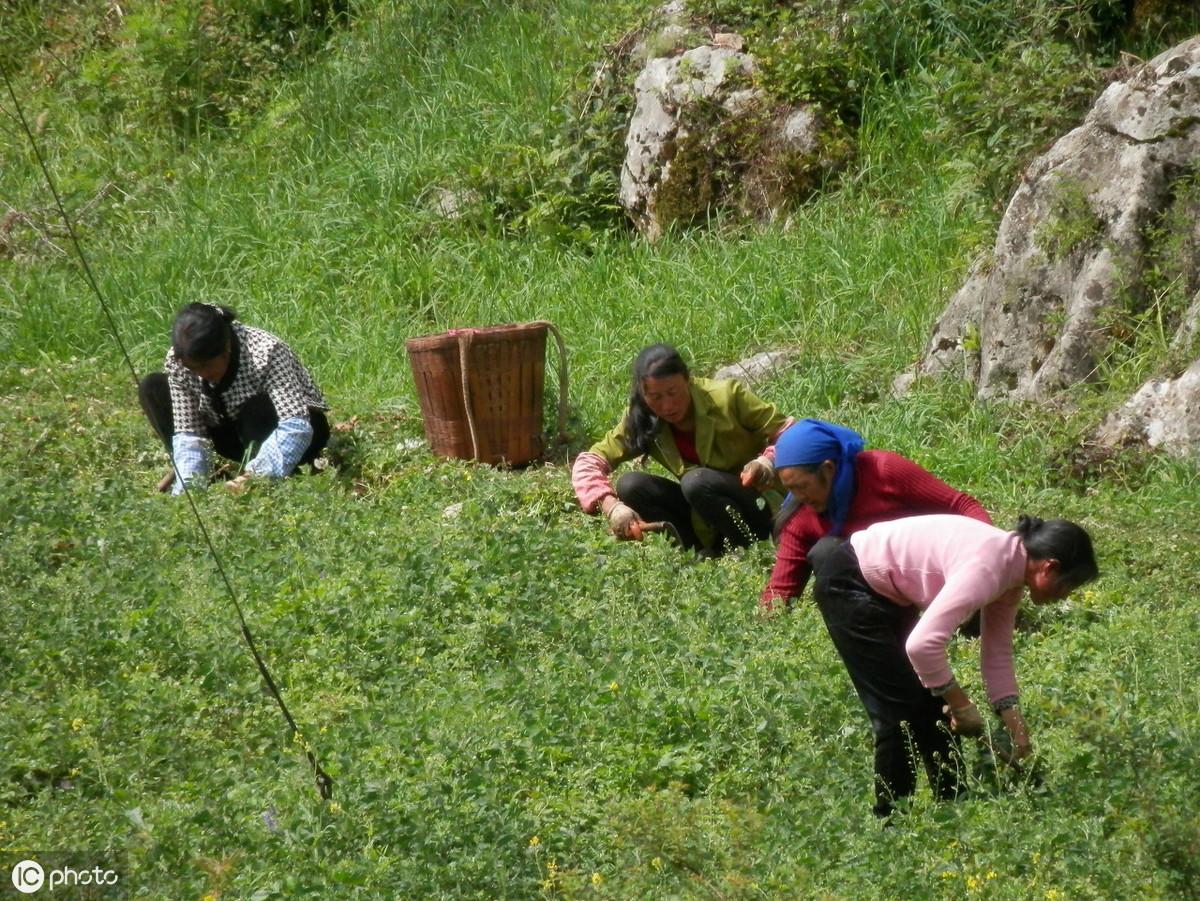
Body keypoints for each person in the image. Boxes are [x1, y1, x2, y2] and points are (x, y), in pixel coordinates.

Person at [808, 513, 1099, 818]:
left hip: (887, 594)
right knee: (898, 716)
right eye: (1068, 586)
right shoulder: (989, 566)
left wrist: (1017, 729)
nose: (1065, 595)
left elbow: (997, 654)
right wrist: (961, 705)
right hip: (850, 582)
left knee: (932, 707)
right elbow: (922, 646)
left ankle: (954, 813)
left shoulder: (1011, 572)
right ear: (1049, 567)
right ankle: (891, 825)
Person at [572, 343, 793, 556]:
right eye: (655, 397)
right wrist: (611, 506)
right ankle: (698, 550)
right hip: (703, 512)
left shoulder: (726, 396)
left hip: (754, 502)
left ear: (687, 380)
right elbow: (589, 462)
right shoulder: (642, 417)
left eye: (673, 392)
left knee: (695, 481)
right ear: (642, 393)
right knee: (630, 485)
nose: (667, 405)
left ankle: (745, 547)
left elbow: (790, 432)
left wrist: (767, 460)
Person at [761, 419, 993, 611]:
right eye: (790, 489)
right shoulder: (801, 514)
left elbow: (961, 504)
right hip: (887, 604)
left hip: (940, 575)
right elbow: (780, 592)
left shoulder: (884, 471)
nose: (798, 496)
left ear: (828, 469)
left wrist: (989, 557)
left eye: (802, 486)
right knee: (828, 553)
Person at [139, 303, 330, 495]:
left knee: (256, 409)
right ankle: (207, 474)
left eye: (206, 366)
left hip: (295, 431)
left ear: (226, 348)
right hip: (232, 434)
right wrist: (189, 490)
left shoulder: (266, 351)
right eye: (193, 368)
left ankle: (267, 479)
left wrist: (254, 479)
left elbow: (296, 426)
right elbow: (190, 435)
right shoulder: (178, 363)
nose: (201, 374)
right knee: (153, 388)